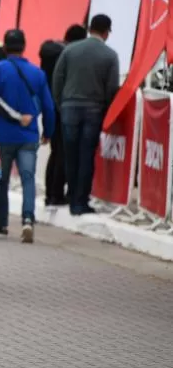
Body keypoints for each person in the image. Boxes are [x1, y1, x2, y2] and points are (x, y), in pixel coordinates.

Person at [0, 29, 56, 242]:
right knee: (28, 179)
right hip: (28, 135)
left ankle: (1, 223)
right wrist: (48, 132)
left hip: (1, 134)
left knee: (2, 180)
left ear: (5, 47)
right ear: (24, 46)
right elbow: (48, 106)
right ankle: (27, 220)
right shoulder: (38, 73)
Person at [52, 14, 120, 216]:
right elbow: (111, 87)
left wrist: (61, 104)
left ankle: (71, 195)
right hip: (94, 109)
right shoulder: (110, 55)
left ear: (90, 28)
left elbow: (58, 79)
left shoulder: (70, 50)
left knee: (70, 154)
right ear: (106, 32)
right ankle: (80, 202)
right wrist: (105, 109)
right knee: (86, 155)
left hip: (69, 108)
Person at [39, 24, 87, 206]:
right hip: (65, 106)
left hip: (50, 107)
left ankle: (51, 193)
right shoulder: (69, 55)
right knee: (64, 153)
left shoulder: (50, 52)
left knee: (56, 152)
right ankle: (57, 194)